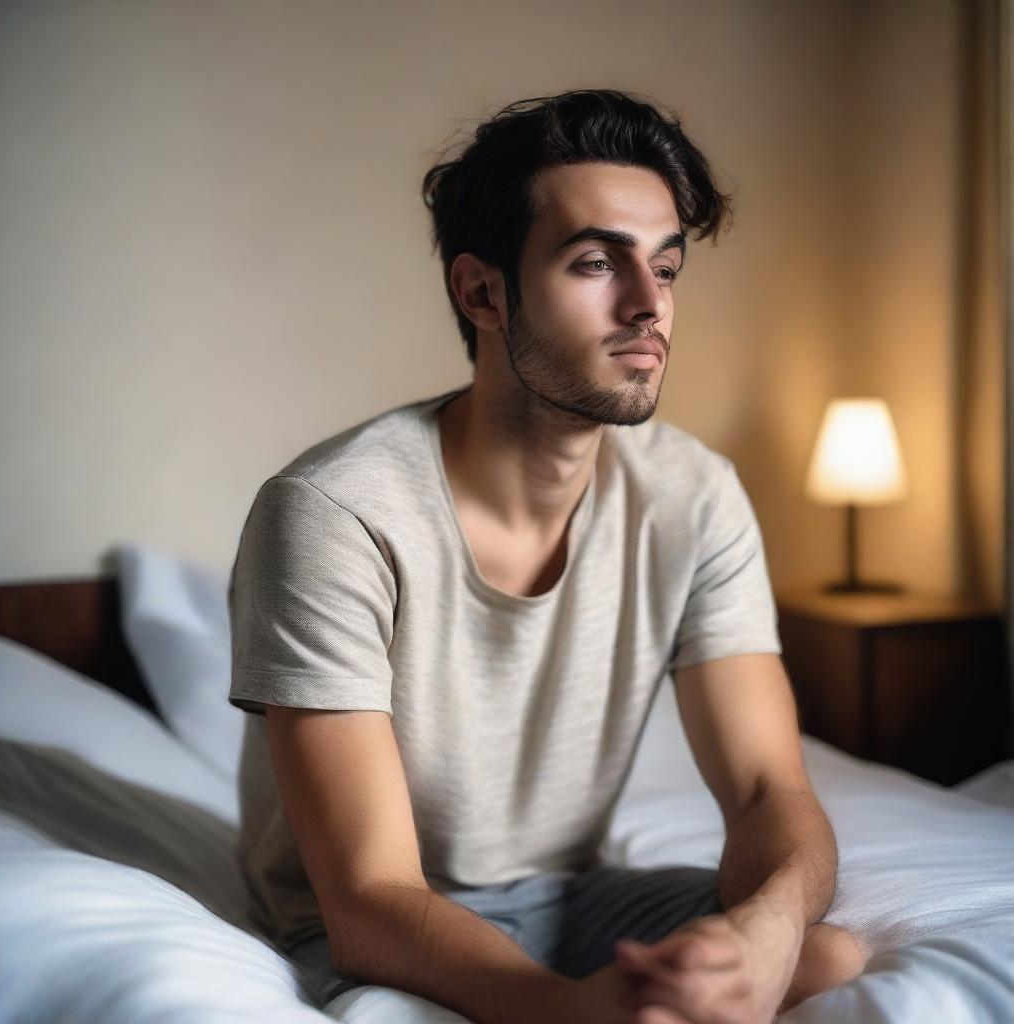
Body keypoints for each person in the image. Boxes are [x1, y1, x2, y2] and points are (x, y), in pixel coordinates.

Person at [226, 88, 869, 1024]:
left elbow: (772, 786)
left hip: (572, 900)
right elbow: (368, 902)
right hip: (385, 920)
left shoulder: (695, 496)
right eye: (597, 262)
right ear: (483, 291)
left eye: (667, 266)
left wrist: (765, 932)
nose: (650, 306)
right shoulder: (331, 513)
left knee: (830, 952)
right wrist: (571, 1012)